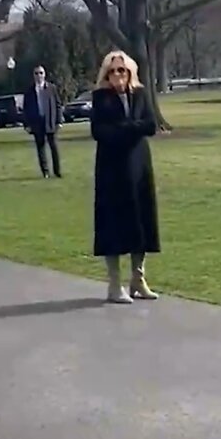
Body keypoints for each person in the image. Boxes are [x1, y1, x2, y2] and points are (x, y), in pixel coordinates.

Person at [90, 50, 162, 304]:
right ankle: (114, 284)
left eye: (122, 70)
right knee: (114, 224)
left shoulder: (140, 94)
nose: (118, 75)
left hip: (139, 166)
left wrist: (124, 128)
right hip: (112, 170)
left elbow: (150, 125)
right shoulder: (101, 98)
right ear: (106, 74)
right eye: (113, 71)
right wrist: (132, 128)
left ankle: (138, 278)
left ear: (130, 71)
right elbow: (100, 132)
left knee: (141, 222)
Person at [22, 64, 62, 178]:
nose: (39, 75)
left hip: (50, 121)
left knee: (54, 147)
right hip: (37, 122)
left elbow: (58, 105)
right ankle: (45, 172)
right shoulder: (29, 91)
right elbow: (26, 109)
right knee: (40, 148)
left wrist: (59, 121)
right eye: (36, 73)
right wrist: (27, 124)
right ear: (33, 75)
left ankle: (57, 171)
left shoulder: (51, 88)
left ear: (44, 75)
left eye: (41, 73)